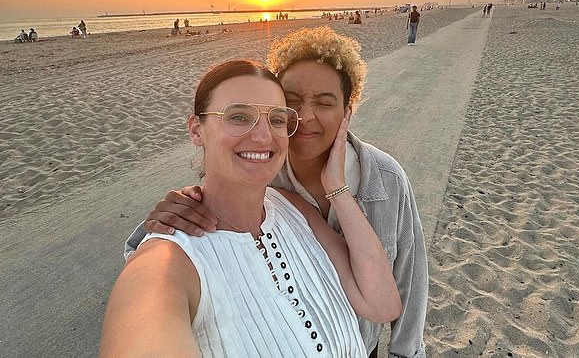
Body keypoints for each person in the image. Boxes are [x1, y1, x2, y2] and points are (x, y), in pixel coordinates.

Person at [125, 26, 429, 358]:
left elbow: (409, 281)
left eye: (325, 103)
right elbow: (159, 271)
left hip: (361, 343)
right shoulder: (265, 179)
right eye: (292, 102)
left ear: (346, 113)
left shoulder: (383, 178)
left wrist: (408, 352)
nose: (306, 115)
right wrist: (164, 220)